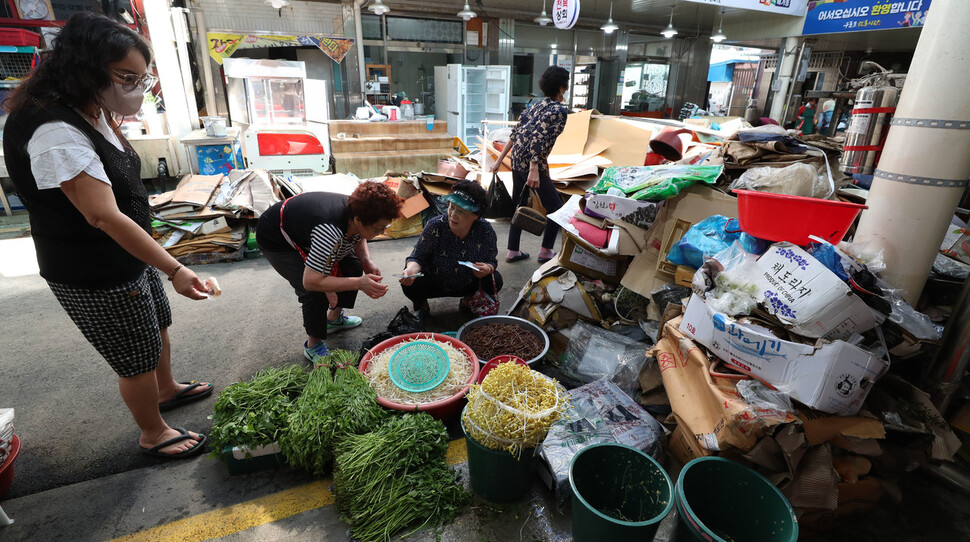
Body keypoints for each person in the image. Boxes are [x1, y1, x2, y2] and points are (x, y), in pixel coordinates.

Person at [3, 13, 214, 459]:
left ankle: (168, 389)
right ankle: (153, 432)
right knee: (133, 355)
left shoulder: (90, 107)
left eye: (140, 78)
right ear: (85, 68)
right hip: (94, 269)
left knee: (155, 326)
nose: (135, 88)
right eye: (125, 77)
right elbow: (102, 216)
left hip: (127, 255)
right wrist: (175, 267)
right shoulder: (55, 130)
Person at [256, 183, 402, 360]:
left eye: (384, 228)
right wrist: (359, 283)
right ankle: (313, 345)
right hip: (277, 237)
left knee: (352, 266)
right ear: (358, 220)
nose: (381, 232)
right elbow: (311, 281)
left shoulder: (358, 213)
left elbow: (357, 234)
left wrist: (366, 260)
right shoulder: (330, 231)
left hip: (307, 227)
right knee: (313, 292)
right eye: (377, 229)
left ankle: (333, 319)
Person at [490, 65, 569, 265]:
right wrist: (534, 169)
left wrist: (499, 161)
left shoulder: (535, 105)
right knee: (555, 208)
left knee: (520, 205)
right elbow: (538, 138)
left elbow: (515, 134)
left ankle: (513, 250)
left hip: (517, 161)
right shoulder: (559, 111)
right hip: (533, 165)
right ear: (562, 86)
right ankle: (545, 250)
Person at [398, 180, 502, 322]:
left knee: (494, 278)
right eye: (451, 207)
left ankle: (468, 301)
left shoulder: (485, 231)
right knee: (410, 279)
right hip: (435, 282)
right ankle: (421, 306)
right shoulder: (435, 225)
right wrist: (411, 269)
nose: (453, 214)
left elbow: (491, 260)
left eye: (461, 211)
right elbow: (418, 256)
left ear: (475, 215)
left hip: (467, 283)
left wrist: (487, 268)